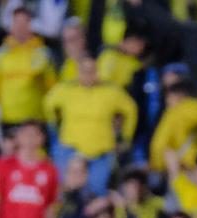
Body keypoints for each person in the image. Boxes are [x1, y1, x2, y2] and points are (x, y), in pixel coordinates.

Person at [43, 55, 138, 196]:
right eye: (84, 70)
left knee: (96, 193)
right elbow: (48, 104)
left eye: (91, 70)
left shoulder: (111, 91)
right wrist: (54, 126)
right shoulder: (66, 89)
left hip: (100, 151)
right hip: (70, 147)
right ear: (78, 71)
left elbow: (131, 110)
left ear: (97, 71)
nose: (88, 74)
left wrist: (125, 136)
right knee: (62, 191)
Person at [0, 7, 57, 125]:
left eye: (24, 22)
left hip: (35, 121)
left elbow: (52, 88)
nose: (20, 27)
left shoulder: (43, 54)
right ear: (11, 26)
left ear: (30, 25)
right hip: (7, 120)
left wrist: (53, 115)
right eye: (16, 22)